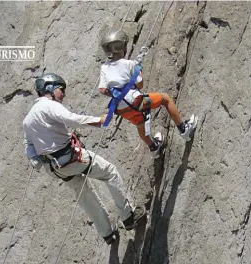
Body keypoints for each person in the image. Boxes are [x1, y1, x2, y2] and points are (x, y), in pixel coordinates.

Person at [22, 73, 145, 245]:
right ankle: (129, 216)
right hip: (71, 158)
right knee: (109, 172)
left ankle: (107, 234)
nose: (63, 94)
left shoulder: (27, 119)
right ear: (49, 89)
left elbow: (28, 145)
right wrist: (99, 121)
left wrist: (35, 160)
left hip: (54, 168)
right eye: (60, 89)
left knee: (83, 194)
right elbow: (72, 119)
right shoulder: (48, 106)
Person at [98, 29, 198, 158]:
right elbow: (140, 85)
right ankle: (184, 129)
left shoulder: (104, 67)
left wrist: (117, 94)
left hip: (120, 108)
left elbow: (102, 90)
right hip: (135, 100)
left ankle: (154, 147)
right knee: (165, 99)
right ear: (123, 46)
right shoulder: (129, 64)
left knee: (140, 123)